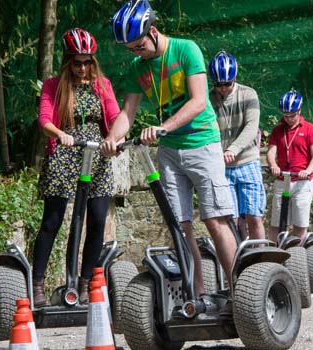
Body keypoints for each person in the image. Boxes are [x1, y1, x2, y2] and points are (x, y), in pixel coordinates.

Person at [101, 0, 237, 303]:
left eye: (139, 46)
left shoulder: (186, 50)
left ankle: (239, 291)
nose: (136, 53)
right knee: (179, 226)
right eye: (130, 49)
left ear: (153, 30)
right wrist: (112, 139)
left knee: (215, 220)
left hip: (202, 144)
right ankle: (197, 293)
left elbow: (199, 101)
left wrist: (164, 128)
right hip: (170, 153)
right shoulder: (137, 68)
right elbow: (127, 113)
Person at [32, 28, 120, 307]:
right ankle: (37, 284)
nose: (82, 68)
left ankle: (85, 283)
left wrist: (116, 137)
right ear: (67, 61)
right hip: (65, 153)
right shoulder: (53, 85)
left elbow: (115, 114)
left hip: (97, 155)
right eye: (77, 62)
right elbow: (44, 119)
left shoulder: (102, 85)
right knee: (52, 221)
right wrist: (60, 133)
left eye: (87, 62)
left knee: (96, 219)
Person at [208, 51, 266, 241]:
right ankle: (237, 256)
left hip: (247, 162)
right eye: (218, 85)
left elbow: (251, 127)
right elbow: (209, 128)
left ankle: (260, 254)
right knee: (230, 218)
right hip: (222, 167)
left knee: (254, 216)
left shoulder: (248, 94)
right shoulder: (209, 99)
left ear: (234, 78)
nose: (223, 89)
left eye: (227, 84)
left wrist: (233, 149)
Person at [267, 89, 313, 244]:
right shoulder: (278, 130)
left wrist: (308, 171)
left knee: (300, 224)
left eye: (292, 115)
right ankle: (275, 251)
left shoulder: (309, 129)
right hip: (282, 181)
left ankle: (296, 255)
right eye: (285, 115)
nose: (289, 118)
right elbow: (271, 152)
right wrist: (273, 165)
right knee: (276, 223)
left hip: (302, 181)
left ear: (299, 110)